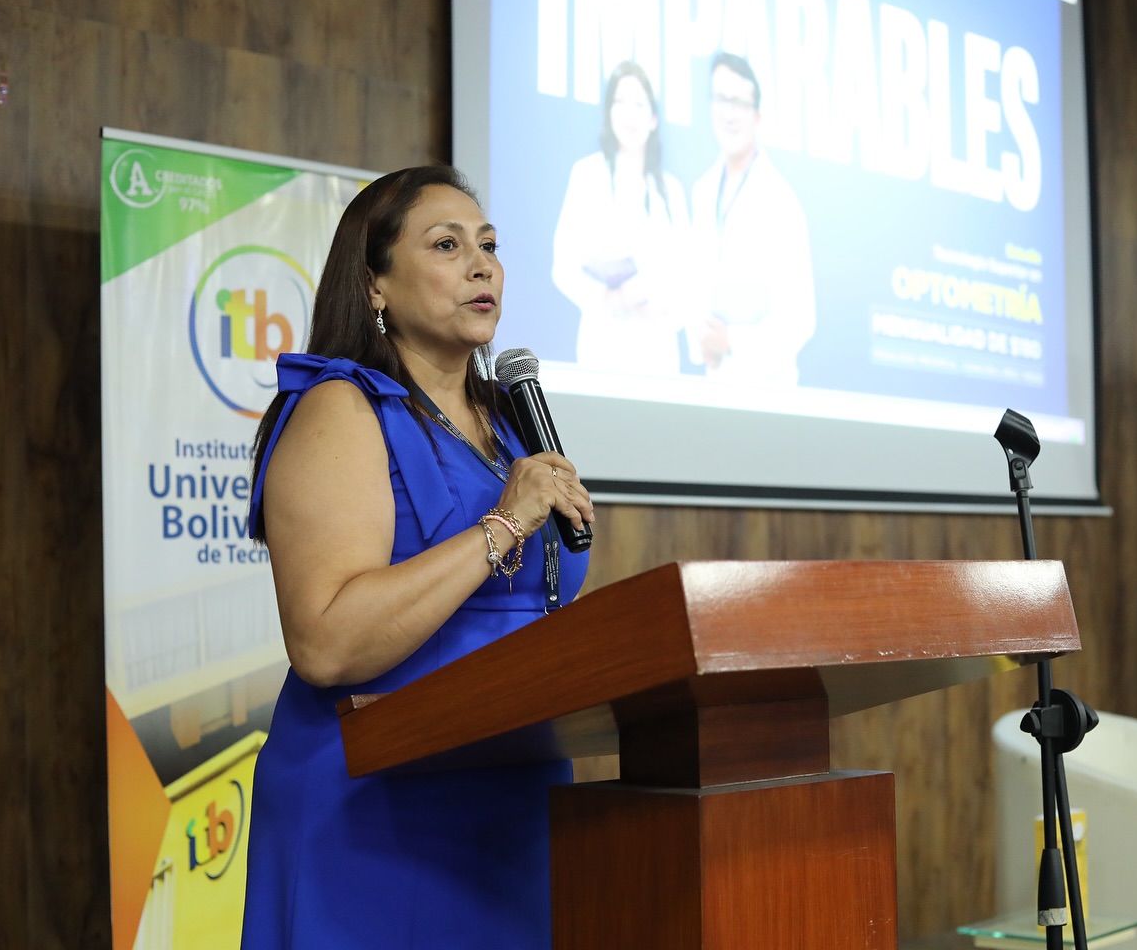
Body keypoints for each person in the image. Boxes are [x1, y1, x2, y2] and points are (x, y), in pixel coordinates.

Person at [240, 166, 595, 948]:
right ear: (375, 284)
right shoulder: (341, 408)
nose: (482, 266)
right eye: (446, 245)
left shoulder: (511, 424)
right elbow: (326, 642)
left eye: (489, 246)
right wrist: (502, 525)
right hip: (378, 810)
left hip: (515, 799)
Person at [552, 61, 690, 375]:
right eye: (620, 102)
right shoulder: (587, 175)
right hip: (603, 345)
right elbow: (563, 265)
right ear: (609, 112)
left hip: (658, 351)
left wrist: (660, 304)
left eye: (639, 104)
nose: (629, 114)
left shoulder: (671, 190)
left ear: (653, 118)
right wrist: (606, 297)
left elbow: (688, 279)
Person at [688, 52, 816, 385]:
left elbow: (801, 319)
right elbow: (695, 288)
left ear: (757, 116)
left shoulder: (781, 201)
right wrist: (703, 341)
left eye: (740, 103)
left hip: (766, 389)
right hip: (713, 383)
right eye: (721, 99)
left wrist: (732, 342)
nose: (729, 114)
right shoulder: (702, 191)